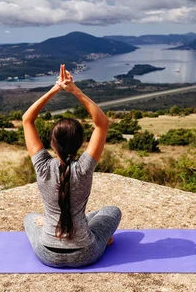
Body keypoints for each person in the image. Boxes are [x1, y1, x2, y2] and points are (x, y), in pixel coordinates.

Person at [22, 64, 122, 268]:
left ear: (51, 143)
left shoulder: (42, 166)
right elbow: (102, 123)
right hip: (87, 253)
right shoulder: (84, 168)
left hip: (47, 254)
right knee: (112, 210)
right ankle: (93, 233)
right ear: (80, 143)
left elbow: (27, 120)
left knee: (30, 218)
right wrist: (74, 89)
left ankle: (49, 222)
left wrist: (55, 88)